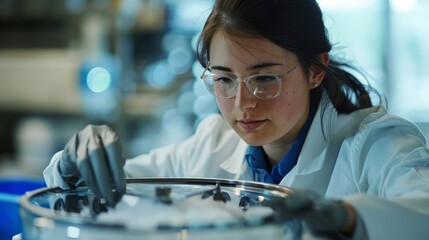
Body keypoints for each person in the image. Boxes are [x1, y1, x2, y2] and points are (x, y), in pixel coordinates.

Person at [44, 0, 429, 239]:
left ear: (315, 70)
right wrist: (74, 166)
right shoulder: (212, 143)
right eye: (225, 80)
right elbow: (117, 192)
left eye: (264, 79)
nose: (243, 104)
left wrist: (345, 217)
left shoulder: (377, 144)